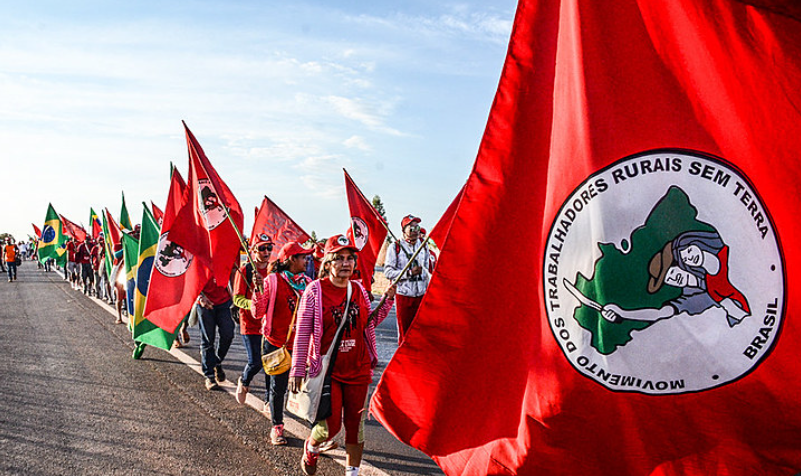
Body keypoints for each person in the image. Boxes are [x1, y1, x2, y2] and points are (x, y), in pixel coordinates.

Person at [290, 234, 396, 476]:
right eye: (339, 259)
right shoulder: (314, 291)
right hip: (328, 373)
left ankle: (352, 472)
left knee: (355, 428)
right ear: (328, 263)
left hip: (358, 369)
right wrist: (297, 370)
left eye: (350, 258)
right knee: (329, 427)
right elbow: (303, 332)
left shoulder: (357, 289)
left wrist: (387, 300)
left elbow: (368, 323)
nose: (346, 263)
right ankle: (312, 447)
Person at [601, 230, 751, 327]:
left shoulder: (720, 258)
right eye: (669, 279)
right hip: (742, 325)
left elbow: (712, 262)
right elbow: (660, 313)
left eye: (672, 271)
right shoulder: (700, 295)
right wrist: (623, 313)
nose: (675, 278)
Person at [251, 240, 313, 445]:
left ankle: (317, 432)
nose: (307, 260)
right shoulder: (272, 281)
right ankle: (277, 427)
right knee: (278, 388)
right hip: (276, 342)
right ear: (291, 259)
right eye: (303, 257)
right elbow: (257, 312)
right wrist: (257, 292)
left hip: (300, 344)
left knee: (308, 387)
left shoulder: (308, 284)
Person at [231, 234, 274, 405]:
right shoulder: (245, 270)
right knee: (255, 361)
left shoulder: (274, 270)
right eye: (262, 248)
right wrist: (256, 305)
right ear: (254, 250)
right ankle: (244, 381)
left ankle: (269, 401)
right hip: (250, 324)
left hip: (270, 325)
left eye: (269, 248)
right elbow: (237, 299)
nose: (266, 251)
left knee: (272, 364)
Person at [383, 215, 433, 344]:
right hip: (404, 295)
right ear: (404, 230)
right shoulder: (395, 247)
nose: (416, 231)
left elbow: (427, 269)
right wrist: (409, 273)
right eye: (412, 228)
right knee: (405, 334)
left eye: (417, 227)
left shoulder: (423, 245)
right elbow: (388, 272)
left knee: (421, 333)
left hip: (421, 295)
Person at [197, 277, 234, 391]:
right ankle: (210, 376)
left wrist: (235, 296)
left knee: (228, 334)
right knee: (208, 340)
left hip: (224, 301)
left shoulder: (227, 258)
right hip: (205, 302)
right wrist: (200, 297)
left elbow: (233, 273)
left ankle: (216, 361)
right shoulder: (198, 258)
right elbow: (190, 276)